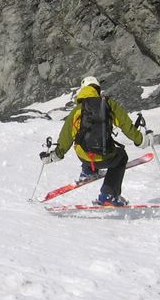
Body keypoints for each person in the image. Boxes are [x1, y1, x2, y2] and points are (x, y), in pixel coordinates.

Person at [39, 76, 146, 206]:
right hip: (105, 156)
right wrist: (141, 140)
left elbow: (66, 136)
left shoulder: (78, 110)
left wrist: (55, 155)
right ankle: (109, 195)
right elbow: (126, 126)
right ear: (97, 89)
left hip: (84, 156)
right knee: (121, 156)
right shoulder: (109, 104)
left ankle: (88, 172)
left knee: (83, 144)